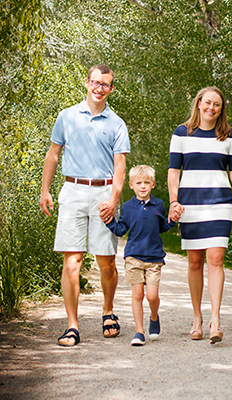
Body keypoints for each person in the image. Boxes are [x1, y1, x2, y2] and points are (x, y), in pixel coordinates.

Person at [39, 64, 130, 346]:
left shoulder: (117, 123)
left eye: (105, 84)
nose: (99, 88)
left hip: (103, 192)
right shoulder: (66, 116)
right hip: (72, 190)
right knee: (72, 262)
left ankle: (108, 311)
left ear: (111, 89)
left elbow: (120, 167)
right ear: (87, 82)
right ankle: (72, 326)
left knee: (106, 263)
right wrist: (45, 190)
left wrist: (113, 201)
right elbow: (53, 155)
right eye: (95, 82)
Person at [168, 86, 232, 344]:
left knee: (215, 259)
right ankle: (197, 318)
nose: (211, 108)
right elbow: (174, 172)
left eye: (217, 104)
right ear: (198, 104)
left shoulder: (229, 136)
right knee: (194, 262)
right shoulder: (181, 133)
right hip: (190, 204)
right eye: (207, 103)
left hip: (219, 203)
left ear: (221, 108)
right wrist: (173, 202)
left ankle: (216, 319)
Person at [99, 165, 180, 346]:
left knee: (151, 296)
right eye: (138, 183)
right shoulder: (128, 207)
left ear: (152, 184)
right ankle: (139, 331)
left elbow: (162, 227)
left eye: (146, 183)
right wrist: (108, 221)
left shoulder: (158, 204)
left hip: (153, 258)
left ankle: (153, 316)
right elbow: (120, 230)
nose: (142, 186)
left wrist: (173, 220)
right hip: (133, 257)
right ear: (131, 185)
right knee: (137, 295)